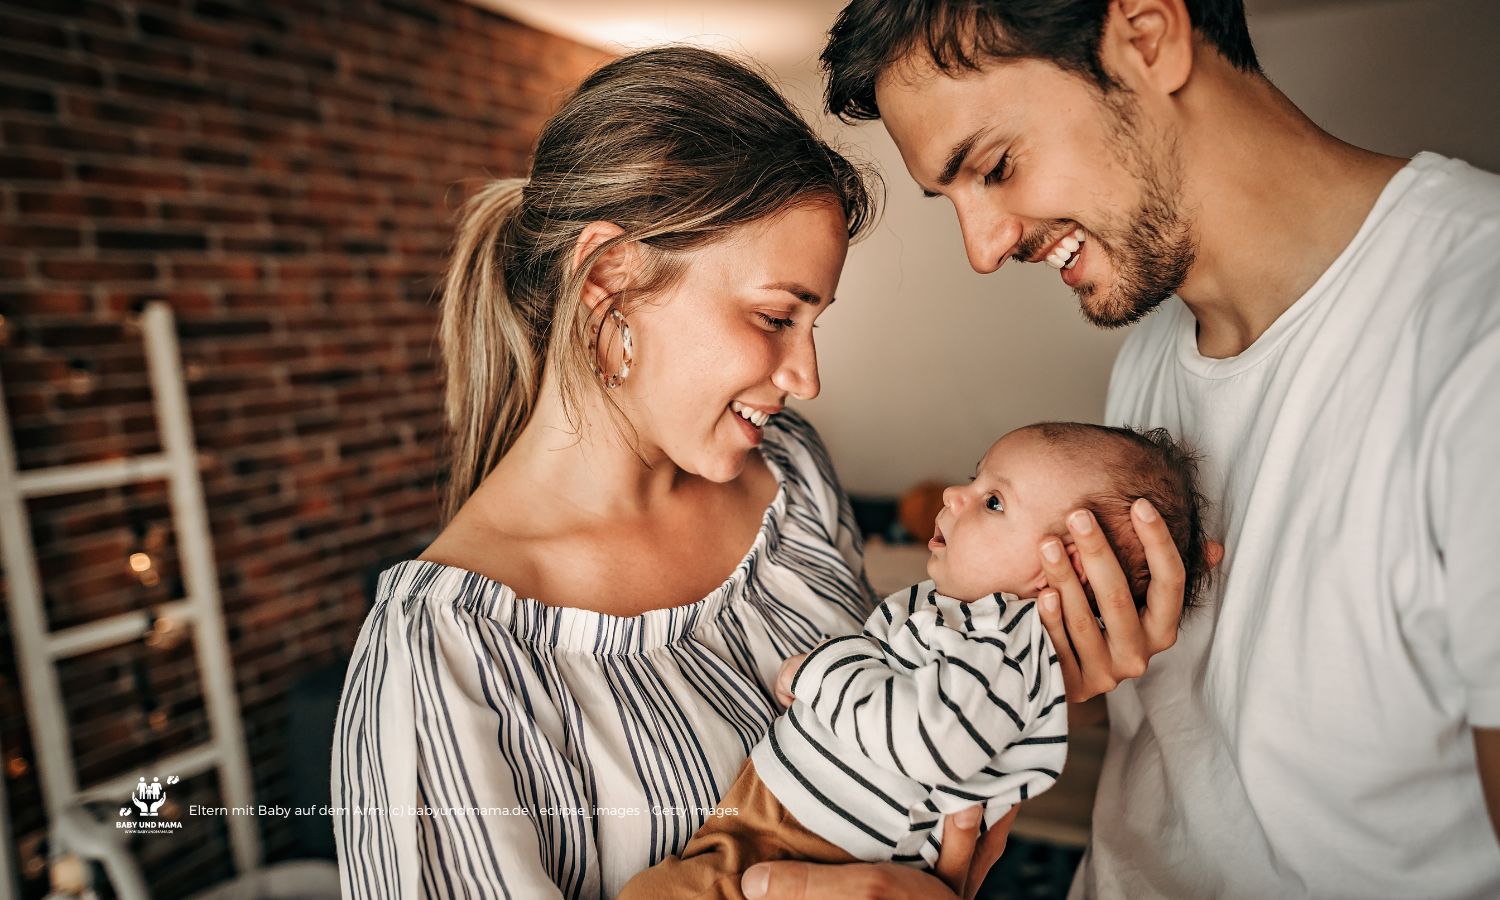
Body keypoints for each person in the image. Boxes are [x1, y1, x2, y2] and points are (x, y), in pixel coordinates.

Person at [330, 46, 1191, 900]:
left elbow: (902, 749)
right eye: (777, 315)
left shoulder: (793, 473)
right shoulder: (437, 664)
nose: (806, 377)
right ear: (609, 281)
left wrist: (1032, 672)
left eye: (812, 323)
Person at [752, 1, 1500, 898]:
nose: (983, 250)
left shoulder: (1475, 335)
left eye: (994, 165)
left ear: (1148, 36)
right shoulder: (1151, 354)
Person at [619, 423, 1211, 900]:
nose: (957, 495)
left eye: (995, 501)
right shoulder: (953, 615)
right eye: (976, 479)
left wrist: (822, 670)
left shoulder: (1007, 644)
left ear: (1066, 567)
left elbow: (934, 740)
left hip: (817, 850)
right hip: (774, 822)